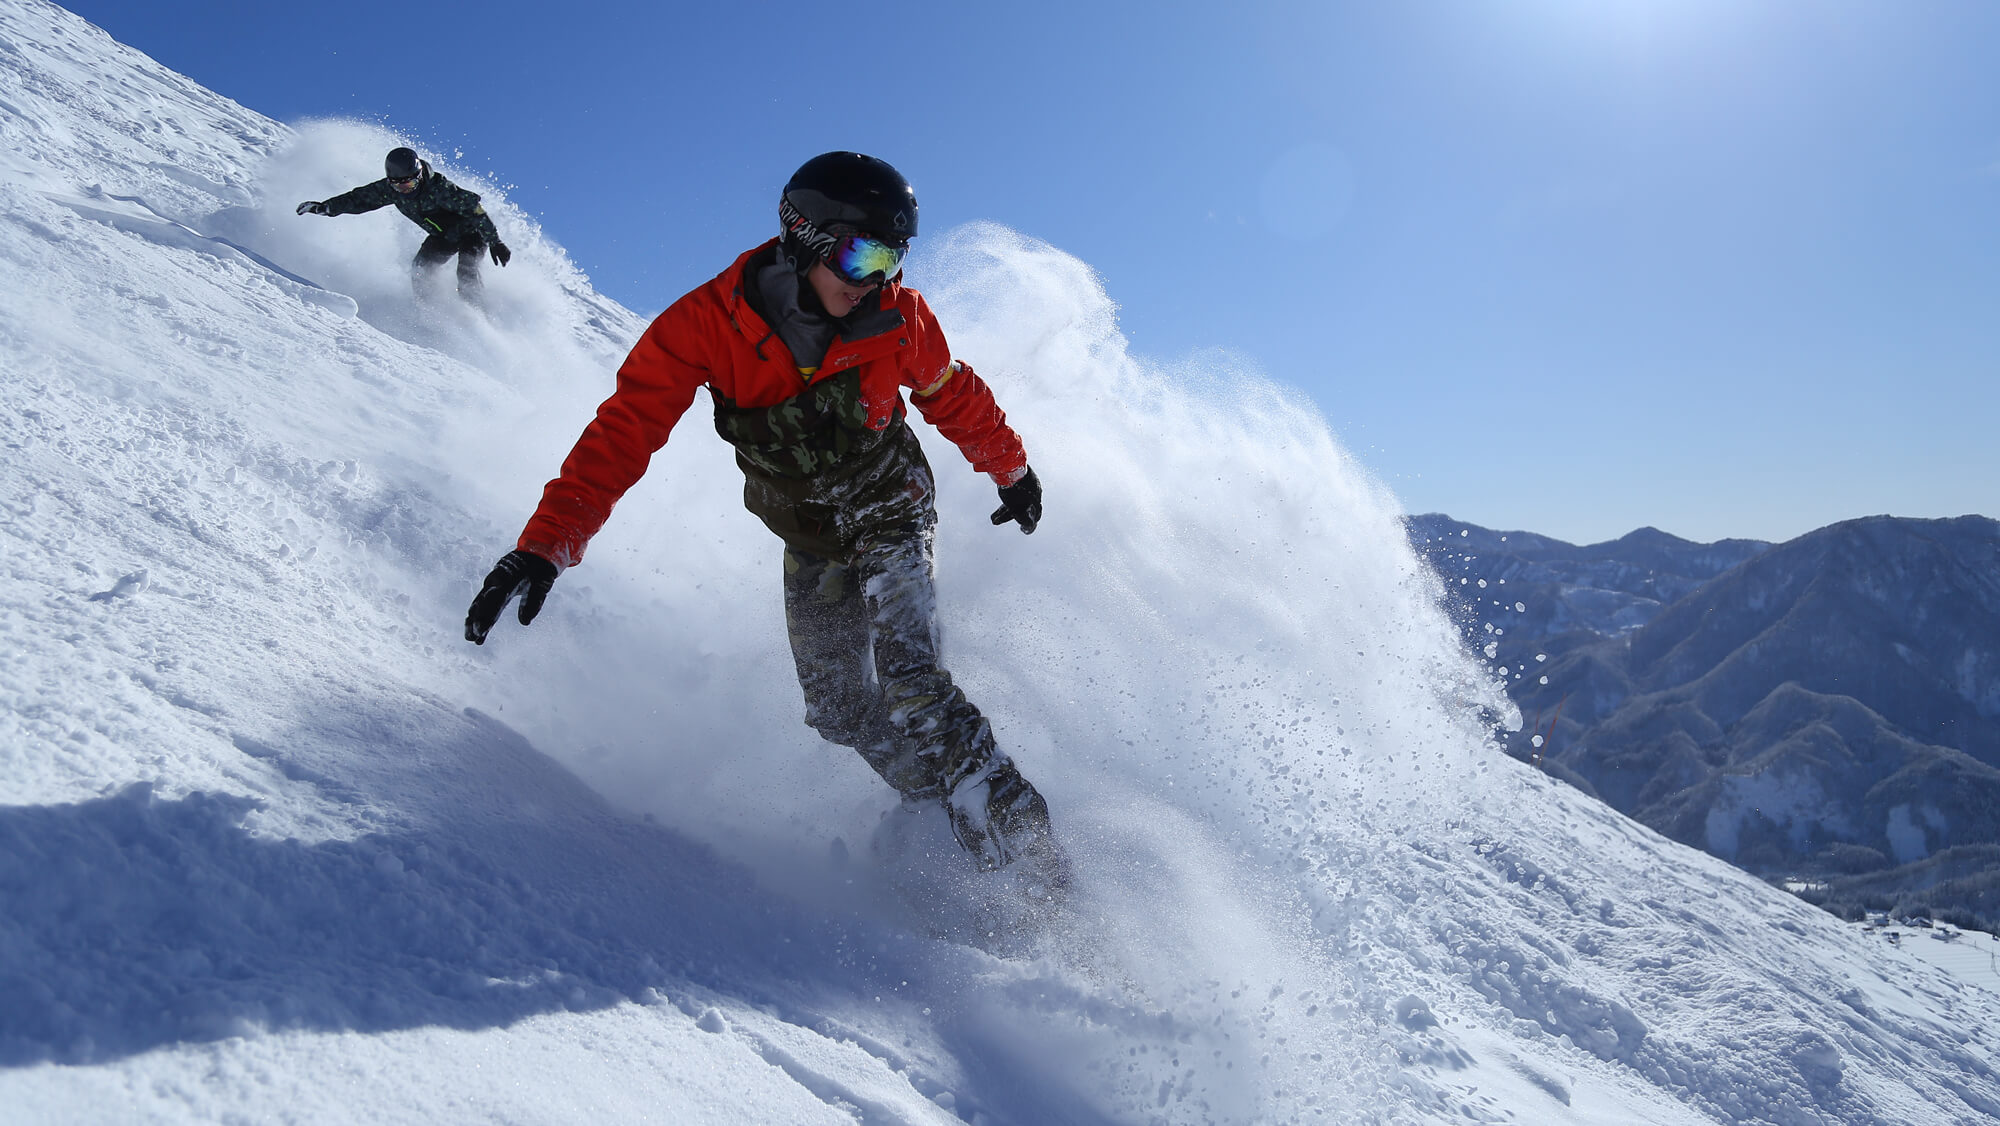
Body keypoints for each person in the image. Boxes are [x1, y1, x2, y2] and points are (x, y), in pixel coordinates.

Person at [462, 152, 1064, 895]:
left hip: (889, 507)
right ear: (804, 236)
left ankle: (1036, 865)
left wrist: (1011, 469)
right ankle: (939, 802)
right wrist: (547, 545)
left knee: (913, 685)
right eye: (861, 253)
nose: (876, 277)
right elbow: (625, 430)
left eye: (893, 258)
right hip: (812, 537)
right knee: (839, 710)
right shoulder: (706, 324)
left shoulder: (897, 318)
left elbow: (949, 392)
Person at [296, 147, 512, 303]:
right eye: (399, 186)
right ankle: (431, 311)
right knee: (420, 269)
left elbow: (475, 210)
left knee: (466, 272)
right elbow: (359, 199)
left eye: (410, 183)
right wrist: (326, 207)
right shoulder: (390, 190)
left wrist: (496, 242)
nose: (405, 189)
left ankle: (480, 312)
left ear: (418, 175)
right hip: (442, 237)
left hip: (471, 233)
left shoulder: (440, 189)